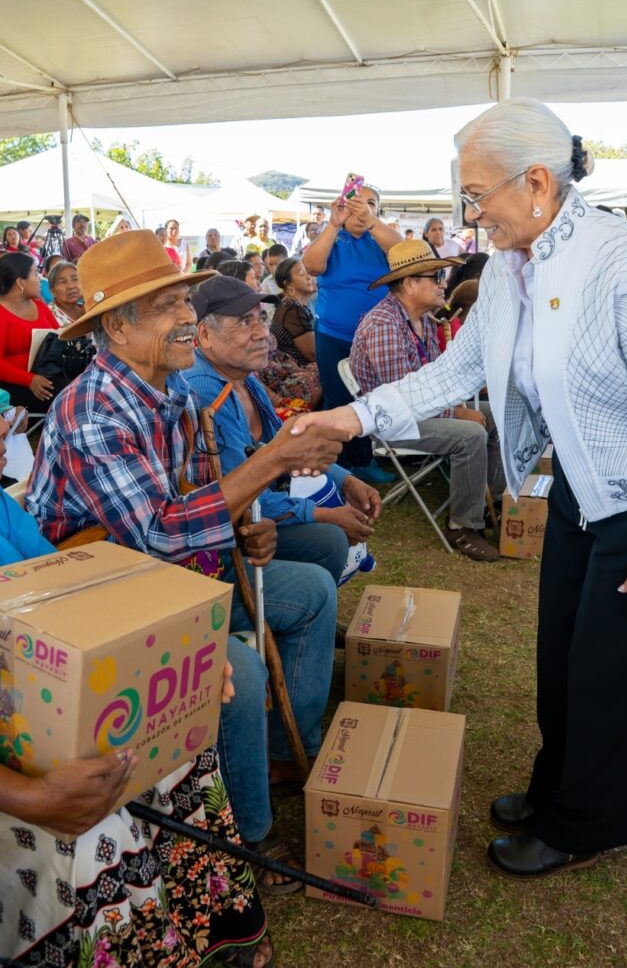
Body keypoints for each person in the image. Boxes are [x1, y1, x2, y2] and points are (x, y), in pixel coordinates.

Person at [294, 98, 627, 879]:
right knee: (562, 657)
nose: (471, 214)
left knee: (615, 672)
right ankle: (557, 786)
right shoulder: (509, 268)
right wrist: (351, 417)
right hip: (579, 494)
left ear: (535, 182)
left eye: (475, 195)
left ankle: (586, 823)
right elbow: (454, 372)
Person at [25, 229, 348, 896]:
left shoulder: (170, 392)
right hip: (99, 606)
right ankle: (249, 837)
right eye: (168, 305)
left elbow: (196, 500)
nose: (186, 317)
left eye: (184, 301)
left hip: (161, 582)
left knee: (313, 589)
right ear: (118, 326)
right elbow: (161, 533)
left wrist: (244, 527)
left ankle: (284, 756)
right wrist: (271, 463)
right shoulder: (92, 410)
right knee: (241, 672)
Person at [0, 410, 273, 968]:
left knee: (178, 750)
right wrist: (32, 798)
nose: (6, 432)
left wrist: (174, 662)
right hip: (16, 758)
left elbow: (70, 592)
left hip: (34, 707)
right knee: (88, 835)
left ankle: (204, 927)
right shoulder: (94, 414)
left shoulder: (3, 507)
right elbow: (157, 533)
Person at [184, 276, 379, 586]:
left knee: (329, 536)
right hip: (225, 537)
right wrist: (323, 514)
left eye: (262, 319)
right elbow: (241, 494)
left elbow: (287, 446)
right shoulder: (207, 393)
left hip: (256, 517)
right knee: (329, 539)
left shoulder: (243, 377)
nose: (263, 333)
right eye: (244, 322)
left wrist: (346, 480)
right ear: (205, 334)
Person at [350, 238, 503, 561]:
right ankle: (463, 525)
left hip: (418, 410)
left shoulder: (422, 319)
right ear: (409, 284)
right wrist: (457, 413)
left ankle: (497, 503)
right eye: (436, 277)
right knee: (471, 435)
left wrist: (457, 405)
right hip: (392, 421)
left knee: (501, 413)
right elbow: (400, 401)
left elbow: (438, 378)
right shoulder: (384, 325)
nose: (443, 284)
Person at [303, 183, 402, 482]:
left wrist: (372, 222)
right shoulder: (333, 238)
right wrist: (334, 224)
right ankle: (344, 465)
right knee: (339, 398)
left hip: (377, 336)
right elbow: (312, 266)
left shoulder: (381, 239)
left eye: (370, 203)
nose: (362, 208)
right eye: (356, 202)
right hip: (334, 334)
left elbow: (405, 252)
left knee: (375, 396)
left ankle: (368, 457)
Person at [0, 251, 61, 411]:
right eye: (35, 274)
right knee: (68, 392)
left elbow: (59, 337)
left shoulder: (40, 306)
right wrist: (29, 380)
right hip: (14, 385)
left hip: (48, 374)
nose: (40, 278)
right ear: (20, 282)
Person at [259, 257, 321, 408]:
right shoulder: (292, 310)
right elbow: (313, 354)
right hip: (295, 372)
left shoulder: (294, 306)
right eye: (302, 273)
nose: (309, 277)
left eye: (308, 272)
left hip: (297, 368)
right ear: (288, 284)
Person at [47, 259, 86, 328]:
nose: (71, 286)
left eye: (75, 279)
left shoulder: (84, 305)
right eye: (63, 282)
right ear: (53, 291)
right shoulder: (50, 316)